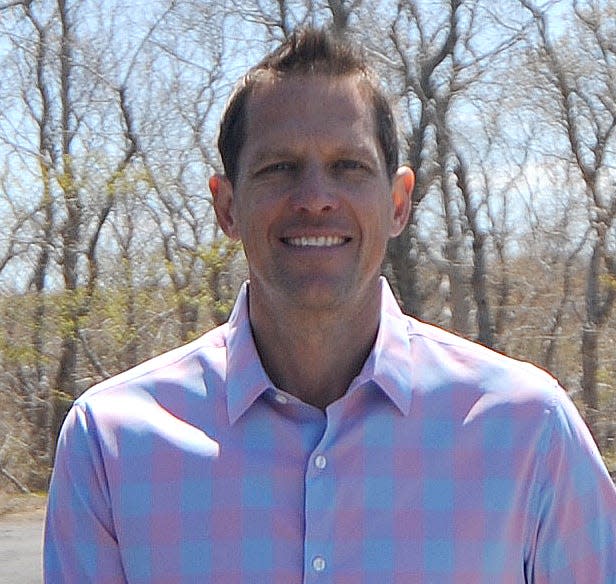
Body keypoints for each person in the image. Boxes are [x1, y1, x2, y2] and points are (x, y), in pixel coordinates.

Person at [44, 28, 616, 582]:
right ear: (227, 206)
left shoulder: (527, 430)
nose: (315, 198)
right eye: (279, 168)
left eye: (348, 166)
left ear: (397, 203)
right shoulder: (111, 444)